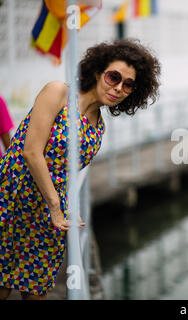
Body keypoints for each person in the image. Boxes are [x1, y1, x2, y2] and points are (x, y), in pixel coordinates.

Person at [0, 38, 161, 300]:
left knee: (36, 292)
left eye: (128, 84)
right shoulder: (58, 93)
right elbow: (31, 152)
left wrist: (63, 210)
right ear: (98, 72)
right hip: (11, 198)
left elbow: (67, 175)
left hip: (47, 215)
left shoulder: (99, 128)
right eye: (114, 77)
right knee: (2, 285)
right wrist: (55, 206)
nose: (118, 87)